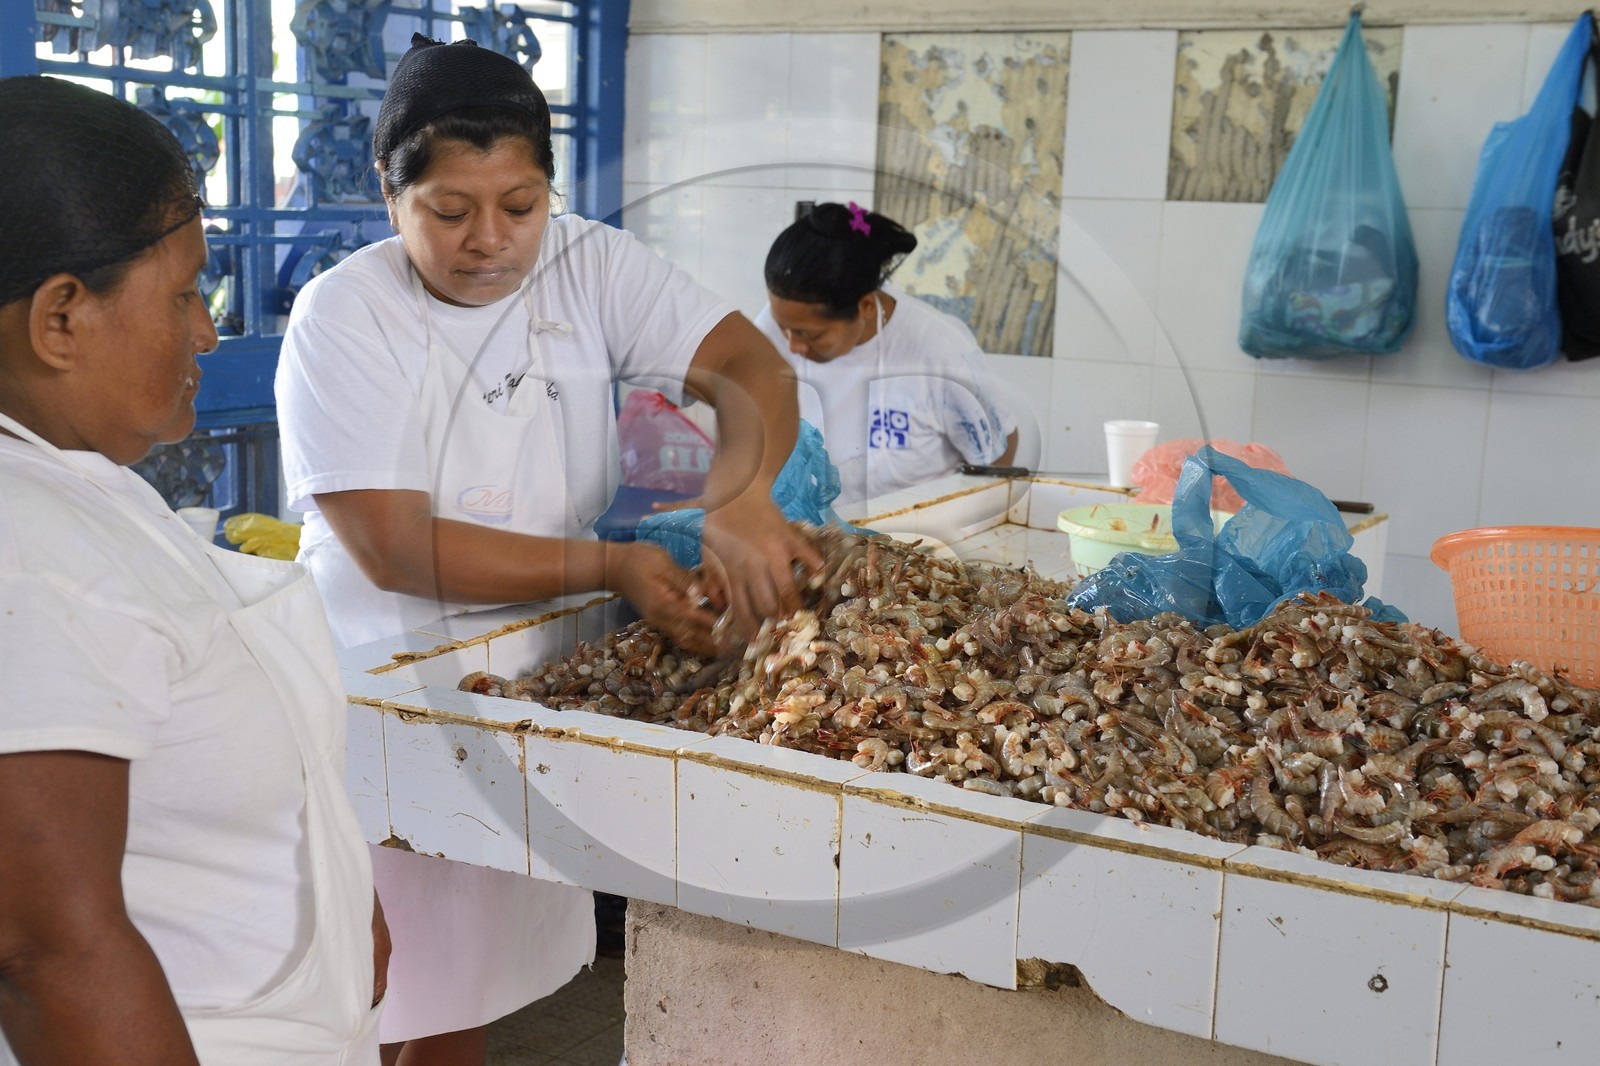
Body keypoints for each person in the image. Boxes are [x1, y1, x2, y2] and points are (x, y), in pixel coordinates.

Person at [274, 35, 821, 1066]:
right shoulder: (344, 315)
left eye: (520, 205)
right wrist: (610, 568)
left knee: (461, 993)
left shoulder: (588, 265)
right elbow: (394, 547)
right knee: (379, 994)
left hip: (529, 693)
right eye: (448, 211)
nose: (491, 240)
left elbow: (748, 364)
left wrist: (740, 491)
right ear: (387, 195)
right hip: (384, 686)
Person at [0, 77, 385, 1065]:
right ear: (60, 321)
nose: (208, 332)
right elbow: (52, 952)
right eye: (181, 296)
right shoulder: (30, 552)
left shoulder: (80, 481)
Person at [754, 202, 1019, 504]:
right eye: (783, 327)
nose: (793, 346)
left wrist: (973, 519)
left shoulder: (940, 351)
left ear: (865, 307)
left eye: (810, 335)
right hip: (811, 530)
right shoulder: (770, 332)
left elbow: (997, 451)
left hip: (914, 534)